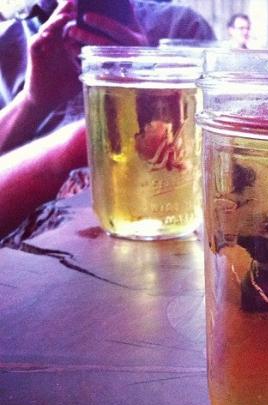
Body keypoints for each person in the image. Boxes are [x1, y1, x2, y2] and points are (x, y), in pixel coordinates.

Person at [0, 0, 215, 238]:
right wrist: (31, 101)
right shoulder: (7, 41)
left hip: (155, 225)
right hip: (25, 239)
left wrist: (140, 76)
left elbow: (204, 153)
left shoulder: (180, 27)